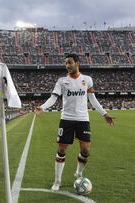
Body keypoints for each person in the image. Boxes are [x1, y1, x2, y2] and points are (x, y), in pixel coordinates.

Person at [35, 53, 114, 191]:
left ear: (77, 63)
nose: (67, 66)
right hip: (66, 119)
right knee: (61, 149)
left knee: (85, 150)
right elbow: (53, 98)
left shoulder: (87, 80)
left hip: (83, 119)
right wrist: (42, 107)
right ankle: (57, 181)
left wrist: (105, 114)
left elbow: (93, 99)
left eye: (69, 62)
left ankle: (79, 173)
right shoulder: (61, 81)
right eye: (66, 63)